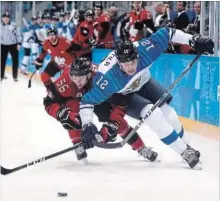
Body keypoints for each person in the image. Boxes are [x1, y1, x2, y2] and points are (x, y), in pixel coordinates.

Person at [79, 27, 214, 169]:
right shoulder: (107, 78)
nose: (131, 67)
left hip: (144, 82)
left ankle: (187, 145)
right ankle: (185, 152)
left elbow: (168, 33)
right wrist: (87, 125)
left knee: (170, 115)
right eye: (126, 64)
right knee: (153, 114)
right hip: (124, 95)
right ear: (119, 63)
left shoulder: (145, 50)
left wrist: (192, 40)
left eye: (133, 62)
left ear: (137, 56)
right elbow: (86, 102)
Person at [43, 57, 158, 163]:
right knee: (72, 118)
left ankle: (141, 148)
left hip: (97, 95)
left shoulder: (103, 78)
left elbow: (121, 102)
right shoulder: (65, 82)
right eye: (74, 78)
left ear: (88, 76)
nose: (77, 82)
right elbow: (48, 103)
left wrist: (113, 123)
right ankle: (78, 144)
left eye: (81, 78)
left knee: (119, 125)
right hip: (75, 98)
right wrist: (61, 114)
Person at [0, 12, 22, 81]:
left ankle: (15, 76)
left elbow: (18, 34)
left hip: (13, 45)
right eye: (4, 18)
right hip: (3, 45)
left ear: (9, 19)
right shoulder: (0, 26)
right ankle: (1, 76)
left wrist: (19, 43)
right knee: (2, 61)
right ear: (2, 18)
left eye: (7, 18)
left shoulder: (14, 25)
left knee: (15, 61)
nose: (6, 19)